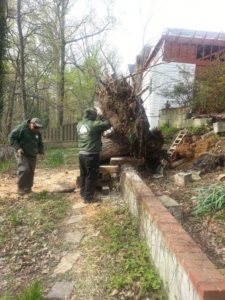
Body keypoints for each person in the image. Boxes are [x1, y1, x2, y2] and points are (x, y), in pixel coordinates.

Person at [77, 108, 111, 203]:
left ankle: (83, 194)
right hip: (91, 156)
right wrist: (101, 114)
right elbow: (107, 124)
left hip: (81, 155)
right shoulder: (94, 125)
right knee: (91, 176)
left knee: (83, 174)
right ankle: (88, 198)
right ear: (93, 116)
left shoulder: (79, 125)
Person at [8, 118, 45, 196]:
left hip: (32, 154)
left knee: (31, 171)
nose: (36, 129)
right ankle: (20, 188)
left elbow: (40, 143)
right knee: (24, 169)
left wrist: (41, 152)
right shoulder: (22, 128)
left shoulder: (37, 133)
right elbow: (11, 137)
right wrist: (17, 148)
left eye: (38, 128)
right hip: (22, 153)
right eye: (35, 127)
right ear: (31, 123)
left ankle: (28, 189)